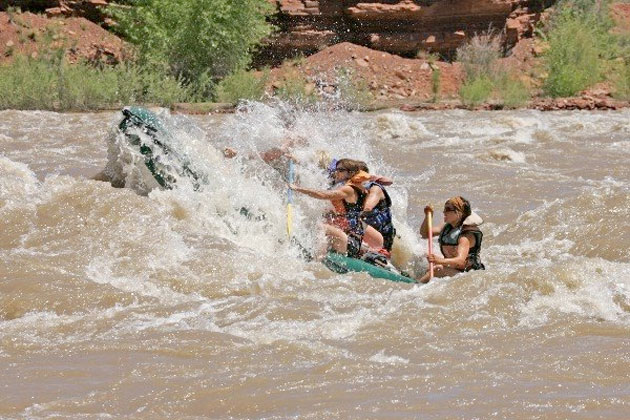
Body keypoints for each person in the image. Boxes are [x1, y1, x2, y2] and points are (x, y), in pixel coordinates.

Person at [290, 158, 383, 257]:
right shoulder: (357, 188)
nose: (336, 172)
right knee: (324, 221)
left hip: (350, 243)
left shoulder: (349, 190)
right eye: (337, 169)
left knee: (320, 227)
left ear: (350, 173)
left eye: (340, 170)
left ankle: (317, 259)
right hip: (353, 240)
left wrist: (298, 189)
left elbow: (323, 195)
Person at [417, 196, 485, 283]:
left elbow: (460, 261)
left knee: (437, 269)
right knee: (429, 264)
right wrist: (428, 216)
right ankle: (420, 280)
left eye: (448, 209)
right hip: (455, 270)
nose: (444, 212)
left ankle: (414, 285)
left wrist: (439, 260)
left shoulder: (466, 235)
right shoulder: (448, 226)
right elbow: (425, 234)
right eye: (444, 208)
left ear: (459, 213)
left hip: (468, 275)